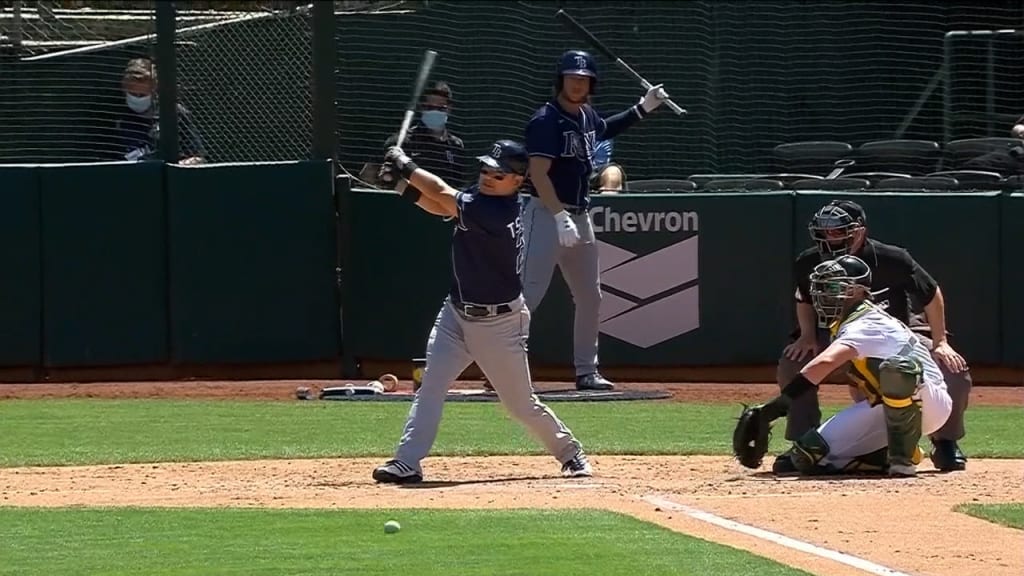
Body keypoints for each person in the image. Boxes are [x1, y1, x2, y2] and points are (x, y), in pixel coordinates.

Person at [371, 139, 592, 484]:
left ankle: (569, 452)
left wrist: (405, 166)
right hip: (456, 314)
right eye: (486, 169)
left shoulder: (495, 211)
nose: (489, 176)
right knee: (431, 386)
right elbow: (444, 208)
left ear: (518, 180)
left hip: (500, 324)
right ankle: (407, 461)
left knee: (520, 404)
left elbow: (443, 194)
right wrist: (401, 186)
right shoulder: (482, 199)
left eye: (499, 173)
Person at [773, 200, 971, 474]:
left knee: (952, 368)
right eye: (824, 233)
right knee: (794, 361)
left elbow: (930, 293)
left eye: (838, 232)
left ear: (859, 232)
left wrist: (941, 342)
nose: (830, 240)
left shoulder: (892, 258)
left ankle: (945, 442)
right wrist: (806, 335)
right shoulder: (809, 261)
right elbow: (803, 299)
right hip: (837, 332)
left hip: (898, 334)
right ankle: (803, 439)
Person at [521, 49, 670, 391]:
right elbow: (539, 174)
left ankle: (587, 370)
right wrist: (558, 215)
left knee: (591, 296)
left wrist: (643, 107)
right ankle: (502, 370)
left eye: (584, 79)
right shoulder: (546, 119)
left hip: (580, 215)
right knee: (529, 295)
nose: (578, 84)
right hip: (545, 215)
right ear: (561, 80)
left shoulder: (586, 115)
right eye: (572, 78)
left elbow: (605, 129)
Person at [752, 254, 952, 477]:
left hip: (930, 402)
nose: (824, 292)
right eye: (824, 286)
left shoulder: (867, 323)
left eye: (833, 285)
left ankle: (901, 460)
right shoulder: (848, 322)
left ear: (856, 291)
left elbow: (826, 362)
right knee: (805, 456)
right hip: (887, 406)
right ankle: (886, 453)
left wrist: (775, 407)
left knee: (897, 369)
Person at [111, 58, 205, 164]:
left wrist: (176, 167)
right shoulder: (113, 116)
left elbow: (198, 157)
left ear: (154, 91)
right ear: (124, 90)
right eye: (132, 94)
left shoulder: (173, 113)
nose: (137, 99)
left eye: (142, 95)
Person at [383, 81, 469, 187]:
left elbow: (460, 185)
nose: (435, 112)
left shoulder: (457, 145)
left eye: (440, 108)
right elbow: (369, 176)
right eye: (430, 108)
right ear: (421, 108)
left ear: (449, 109)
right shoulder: (400, 142)